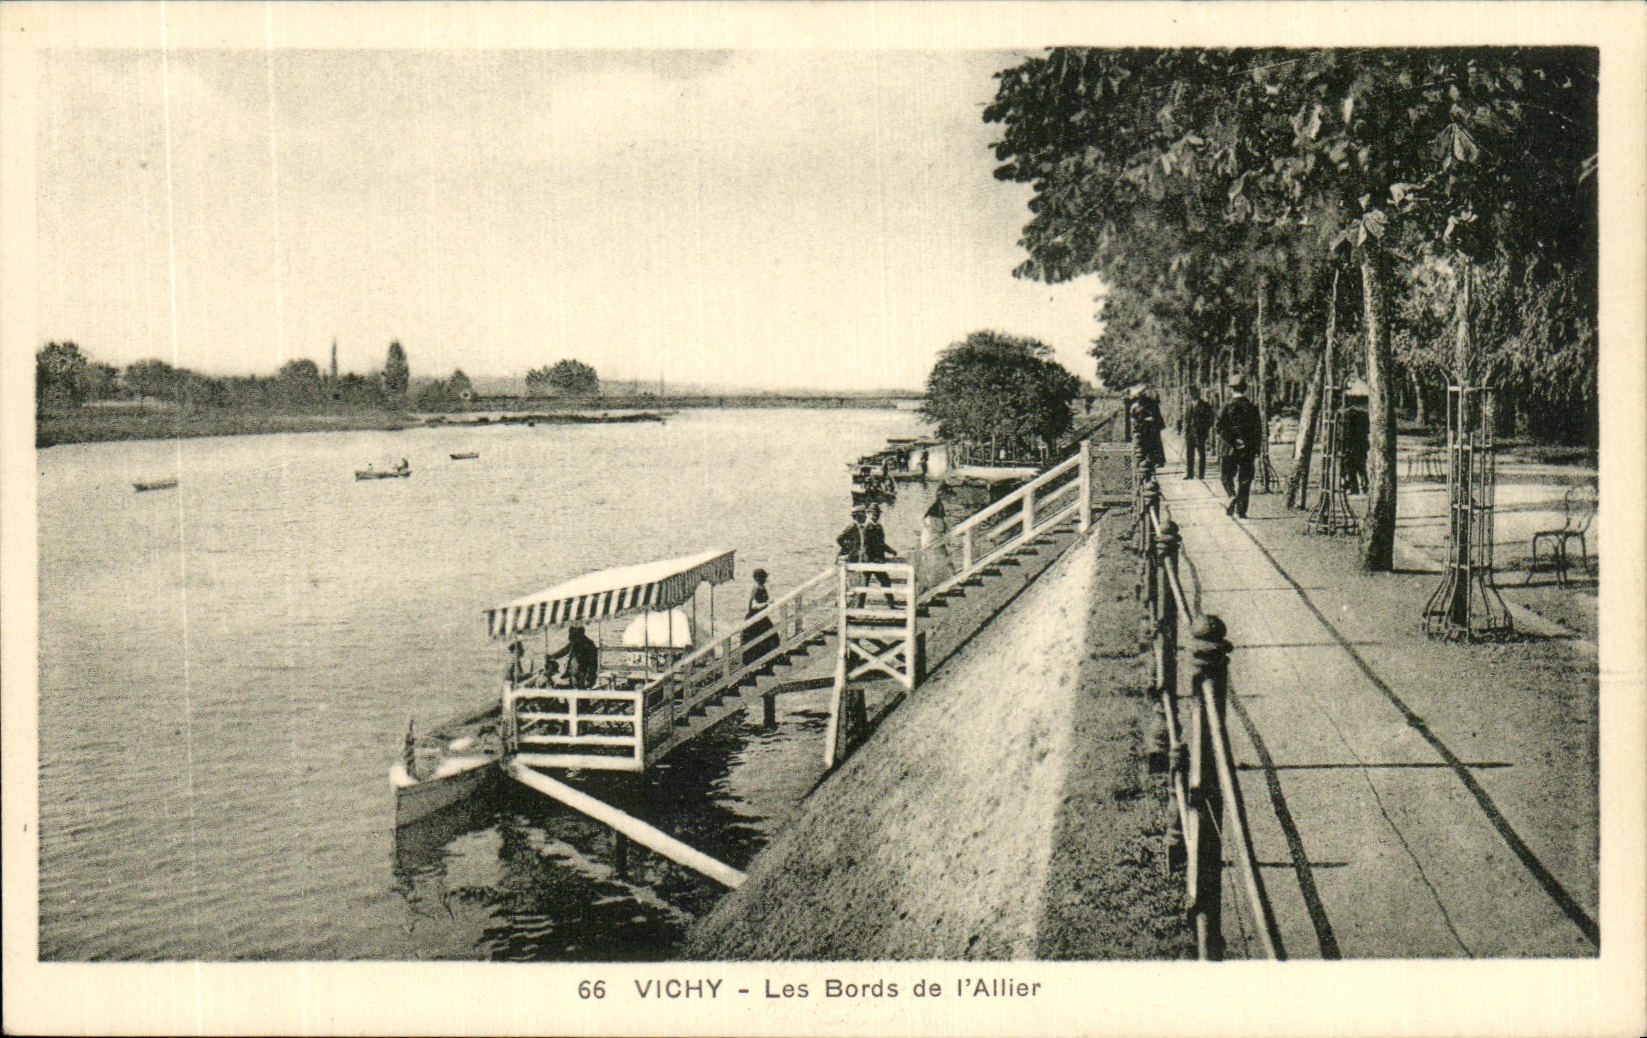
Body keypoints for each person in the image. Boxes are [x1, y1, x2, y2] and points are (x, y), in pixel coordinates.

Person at [1214, 373, 1264, 519]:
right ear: (1245, 389)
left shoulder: (1227, 407)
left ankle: (1231, 495)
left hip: (1229, 448)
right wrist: (1254, 448)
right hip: (1247, 450)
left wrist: (1233, 440)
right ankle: (1242, 510)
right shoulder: (1252, 408)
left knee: (1226, 476)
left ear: (1231, 390)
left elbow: (1219, 427)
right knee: (1245, 479)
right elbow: (1258, 430)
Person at [741, 568, 780, 665]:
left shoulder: (763, 587)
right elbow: (752, 605)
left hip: (762, 615)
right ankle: (754, 661)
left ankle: (768, 659)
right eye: (763, 577)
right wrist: (767, 603)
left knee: (771, 636)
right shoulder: (755, 588)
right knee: (756, 638)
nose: (765, 579)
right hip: (755, 615)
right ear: (758, 578)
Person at [548, 624, 601, 689]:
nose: (571, 640)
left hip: (583, 677)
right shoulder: (575, 643)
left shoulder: (589, 645)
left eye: (573, 638)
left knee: (581, 695)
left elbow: (593, 664)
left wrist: (588, 679)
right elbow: (564, 650)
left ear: (579, 636)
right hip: (572, 675)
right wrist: (553, 656)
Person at [1128, 384, 1167, 470]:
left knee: (1155, 444)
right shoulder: (1134, 407)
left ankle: (1157, 461)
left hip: (1151, 428)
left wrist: (1153, 421)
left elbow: (1155, 414)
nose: (1141, 397)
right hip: (1141, 429)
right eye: (1139, 396)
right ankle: (1147, 463)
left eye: (1142, 395)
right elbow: (1133, 419)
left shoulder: (1150, 403)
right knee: (1144, 447)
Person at [1340, 386, 1370, 495]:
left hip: (1351, 444)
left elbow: (1343, 432)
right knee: (1360, 466)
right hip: (1360, 444)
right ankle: (1363, 486)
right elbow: (1367, 430)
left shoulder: (1345, 415)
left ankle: (1355, 487)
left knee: (1352, 466)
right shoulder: (1364, 415)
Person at [920, 487, 953, 586]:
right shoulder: (936, 507)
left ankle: (949, 579)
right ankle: (936, 583)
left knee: (944, 558)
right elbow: (930, 523)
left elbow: (943, 524)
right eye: (948, 496)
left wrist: (946, 535)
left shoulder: (940, 506)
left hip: (936, 537)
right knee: (939, 559)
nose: (950, 498)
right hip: (933, 538)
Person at [1183, 385, 1215, 481]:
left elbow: (1210, 419)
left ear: (1198, 393)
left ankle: (1201, 474)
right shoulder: (1188, 405)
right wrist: (1186, 430)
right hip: (1190, 434)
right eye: (1190, 394)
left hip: (1200, 433)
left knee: (1201, 454)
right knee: (1189, 454)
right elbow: (1186, 419)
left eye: (1193, 393)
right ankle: (1190, 474)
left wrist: (1204, 429)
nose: (1192, 395)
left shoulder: (1205, 405)